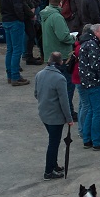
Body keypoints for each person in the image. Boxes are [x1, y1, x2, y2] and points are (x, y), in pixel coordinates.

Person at [34, 52, 73, 180]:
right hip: (55, 117)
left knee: (53, 140)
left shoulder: (39, 74)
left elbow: (36, 93)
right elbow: (64, 101)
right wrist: (69, 118)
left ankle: (54, 165)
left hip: (43, 113)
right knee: (53, 143)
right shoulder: (60, 78)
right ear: (60, 62)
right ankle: (48, 171)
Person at [77, 23, 100, 151]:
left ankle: (87, 139)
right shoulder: (92, 45)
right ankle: (97, 142)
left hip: (87, 81)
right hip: (94, 82)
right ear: (96, 33)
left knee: (91, 111)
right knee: (98, 112)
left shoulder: (87, 44)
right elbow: (96, 65)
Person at [0, 0, 30, 86]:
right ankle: (15, 77)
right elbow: (18, 5)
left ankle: (10, 75)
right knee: (17, 49)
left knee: (10, 49)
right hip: (15, 20)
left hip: (6, 19)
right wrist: (22, 18)